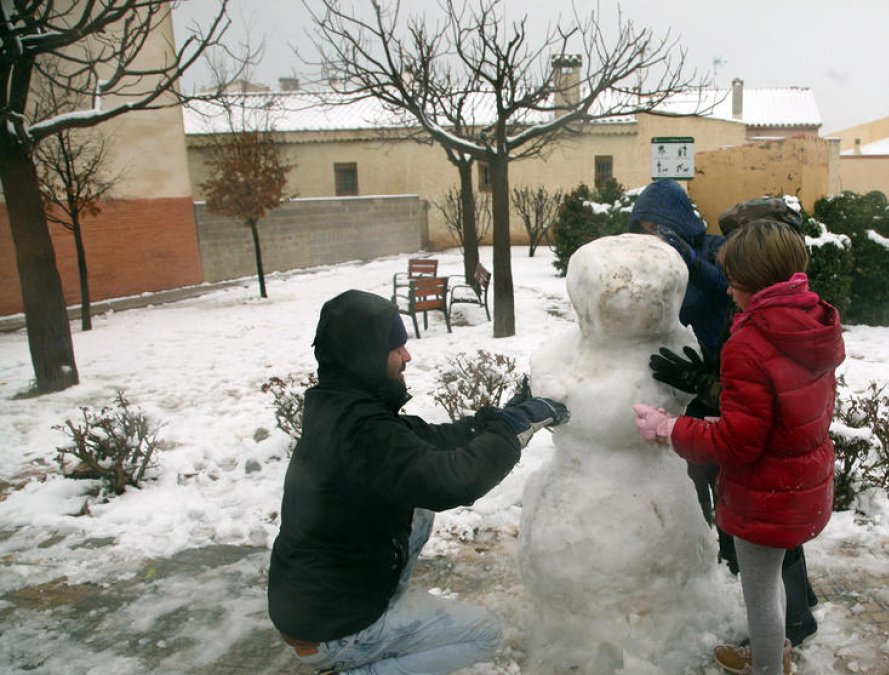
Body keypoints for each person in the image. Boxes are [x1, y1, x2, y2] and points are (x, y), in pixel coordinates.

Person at [268, 289, 568, 675]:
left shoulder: (338, 405)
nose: (407, 357)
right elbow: (454, 483)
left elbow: (429, 440)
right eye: (396, 348)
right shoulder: (362, 431)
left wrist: (499, 420)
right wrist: (511, 433)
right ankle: (357, 666)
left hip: (315, 598)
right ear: (366, 355)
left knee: (417, 506)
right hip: (331, 627)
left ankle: (377, 620)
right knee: (485, 634)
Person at [634, 219, 845, 675]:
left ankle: (767, 665)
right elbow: (781, 409)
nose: (727, 292)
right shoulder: (814, 321)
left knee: (761, 596)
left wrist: (670, 429)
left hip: (765, 493)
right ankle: (778, 652)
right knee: (773, 582)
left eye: (733, 282)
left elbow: (737, 442)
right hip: (801, 482)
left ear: (755, 281)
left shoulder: (750, 342)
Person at [628, 179, 730, 359]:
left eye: (655, 227)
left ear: (676, 219)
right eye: (643, 229)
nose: (650, 235)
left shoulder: (715, 246)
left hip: (708, 359)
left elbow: (728, 289)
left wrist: (693, 263)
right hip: (661, 361)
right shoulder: (645, 257)